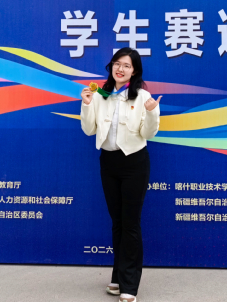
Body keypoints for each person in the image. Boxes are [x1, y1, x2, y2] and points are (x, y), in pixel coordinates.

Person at [80, 47, 162, 302]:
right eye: (117, 63)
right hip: (109, 162)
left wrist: (152, 112)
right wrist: (87, 104)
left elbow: (148, 134)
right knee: (117, 222)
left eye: (127, 65)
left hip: (134, 162)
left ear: (134, 71)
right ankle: (118, 276)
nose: (120, 68)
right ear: (111, 67)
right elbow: (89, 130)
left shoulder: (143, 96)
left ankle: (130, 285)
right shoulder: (100, 95)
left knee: (130, 223)